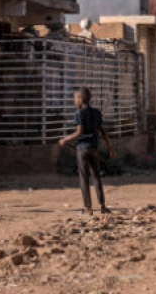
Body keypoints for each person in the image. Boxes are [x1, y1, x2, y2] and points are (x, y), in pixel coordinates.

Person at [58, 87, 116, 215]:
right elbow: (103, 132)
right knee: (96, 176)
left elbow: (80, 132)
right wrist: (110, 148)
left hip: (82, 149)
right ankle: (103, 206)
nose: (74, 101)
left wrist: (65, 139)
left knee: (84, 178)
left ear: (80, 99)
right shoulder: (96, 112)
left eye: (75, 99)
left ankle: (88, 208)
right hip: (94, 148)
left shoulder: (79, 113)